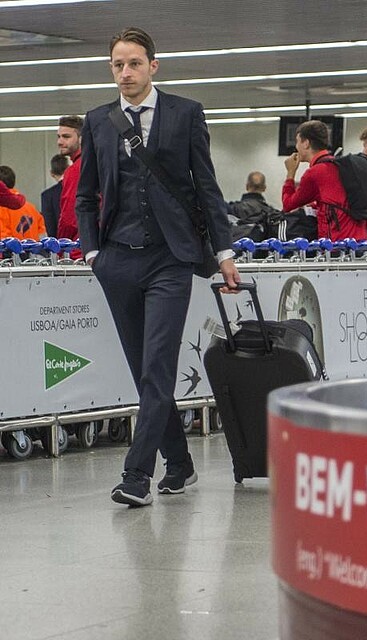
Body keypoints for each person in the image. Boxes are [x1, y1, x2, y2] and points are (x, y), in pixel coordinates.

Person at [76, 27, 241, 507]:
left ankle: (136, 474)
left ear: (153, 66)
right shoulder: (99, 121)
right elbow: (86, 195)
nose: (124, 73)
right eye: (117, 65)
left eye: (133, 63)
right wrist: (92, 252)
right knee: (140, 367)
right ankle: (182, 462)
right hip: (117, 259)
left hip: (171, 257)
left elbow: (206, 187)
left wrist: (225, 253)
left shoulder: (186, 114)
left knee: (158, 364)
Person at [283, 120, 367, 242]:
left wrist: (290, 173)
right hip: (360, 241)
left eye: (297, 141)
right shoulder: (341, 166)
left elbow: (288, 205)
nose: (296, 147)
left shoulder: (315, 173)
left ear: (306, 143)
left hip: (336, 245)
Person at [226, 171, 279, 240]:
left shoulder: (231, 209)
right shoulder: (272, 213)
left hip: (235, 248)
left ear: (247, 186)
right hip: (261, 250)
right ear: (264, 188)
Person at [56, 115, 84, 241]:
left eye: (66, 137)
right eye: (59, 136)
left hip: (77, 248)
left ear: (81, 139)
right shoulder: (96, 163)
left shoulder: (75, 170)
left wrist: (60, 246)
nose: (60, 142)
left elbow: (69, 217)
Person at [0, 166, 46, 240]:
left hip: (13, 250)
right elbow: (43, 236)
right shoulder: (31, 207)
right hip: (33, 250)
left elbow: (3, 239)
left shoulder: (2, 208)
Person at [40, 155, 68, 238]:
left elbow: (50, 227)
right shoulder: (80, 189)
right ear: (69, 168)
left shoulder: (47, 196)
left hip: (60, 242)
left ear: (52, 173)